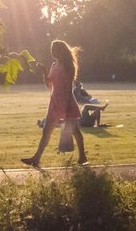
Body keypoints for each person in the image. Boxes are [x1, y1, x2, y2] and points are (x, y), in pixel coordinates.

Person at [21, 40, 88, 168]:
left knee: (75, 131)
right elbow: (49, 85)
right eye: (51, 49)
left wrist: (68, 104)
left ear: (60, 50)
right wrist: (44, 73)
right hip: (55, 101)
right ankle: (36, 158)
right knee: (46, 130)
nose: (52, 52)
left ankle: (82, 157)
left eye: (54, 49)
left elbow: (69, 86)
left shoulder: (68, 65)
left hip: (66, 100)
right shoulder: (54, 65)